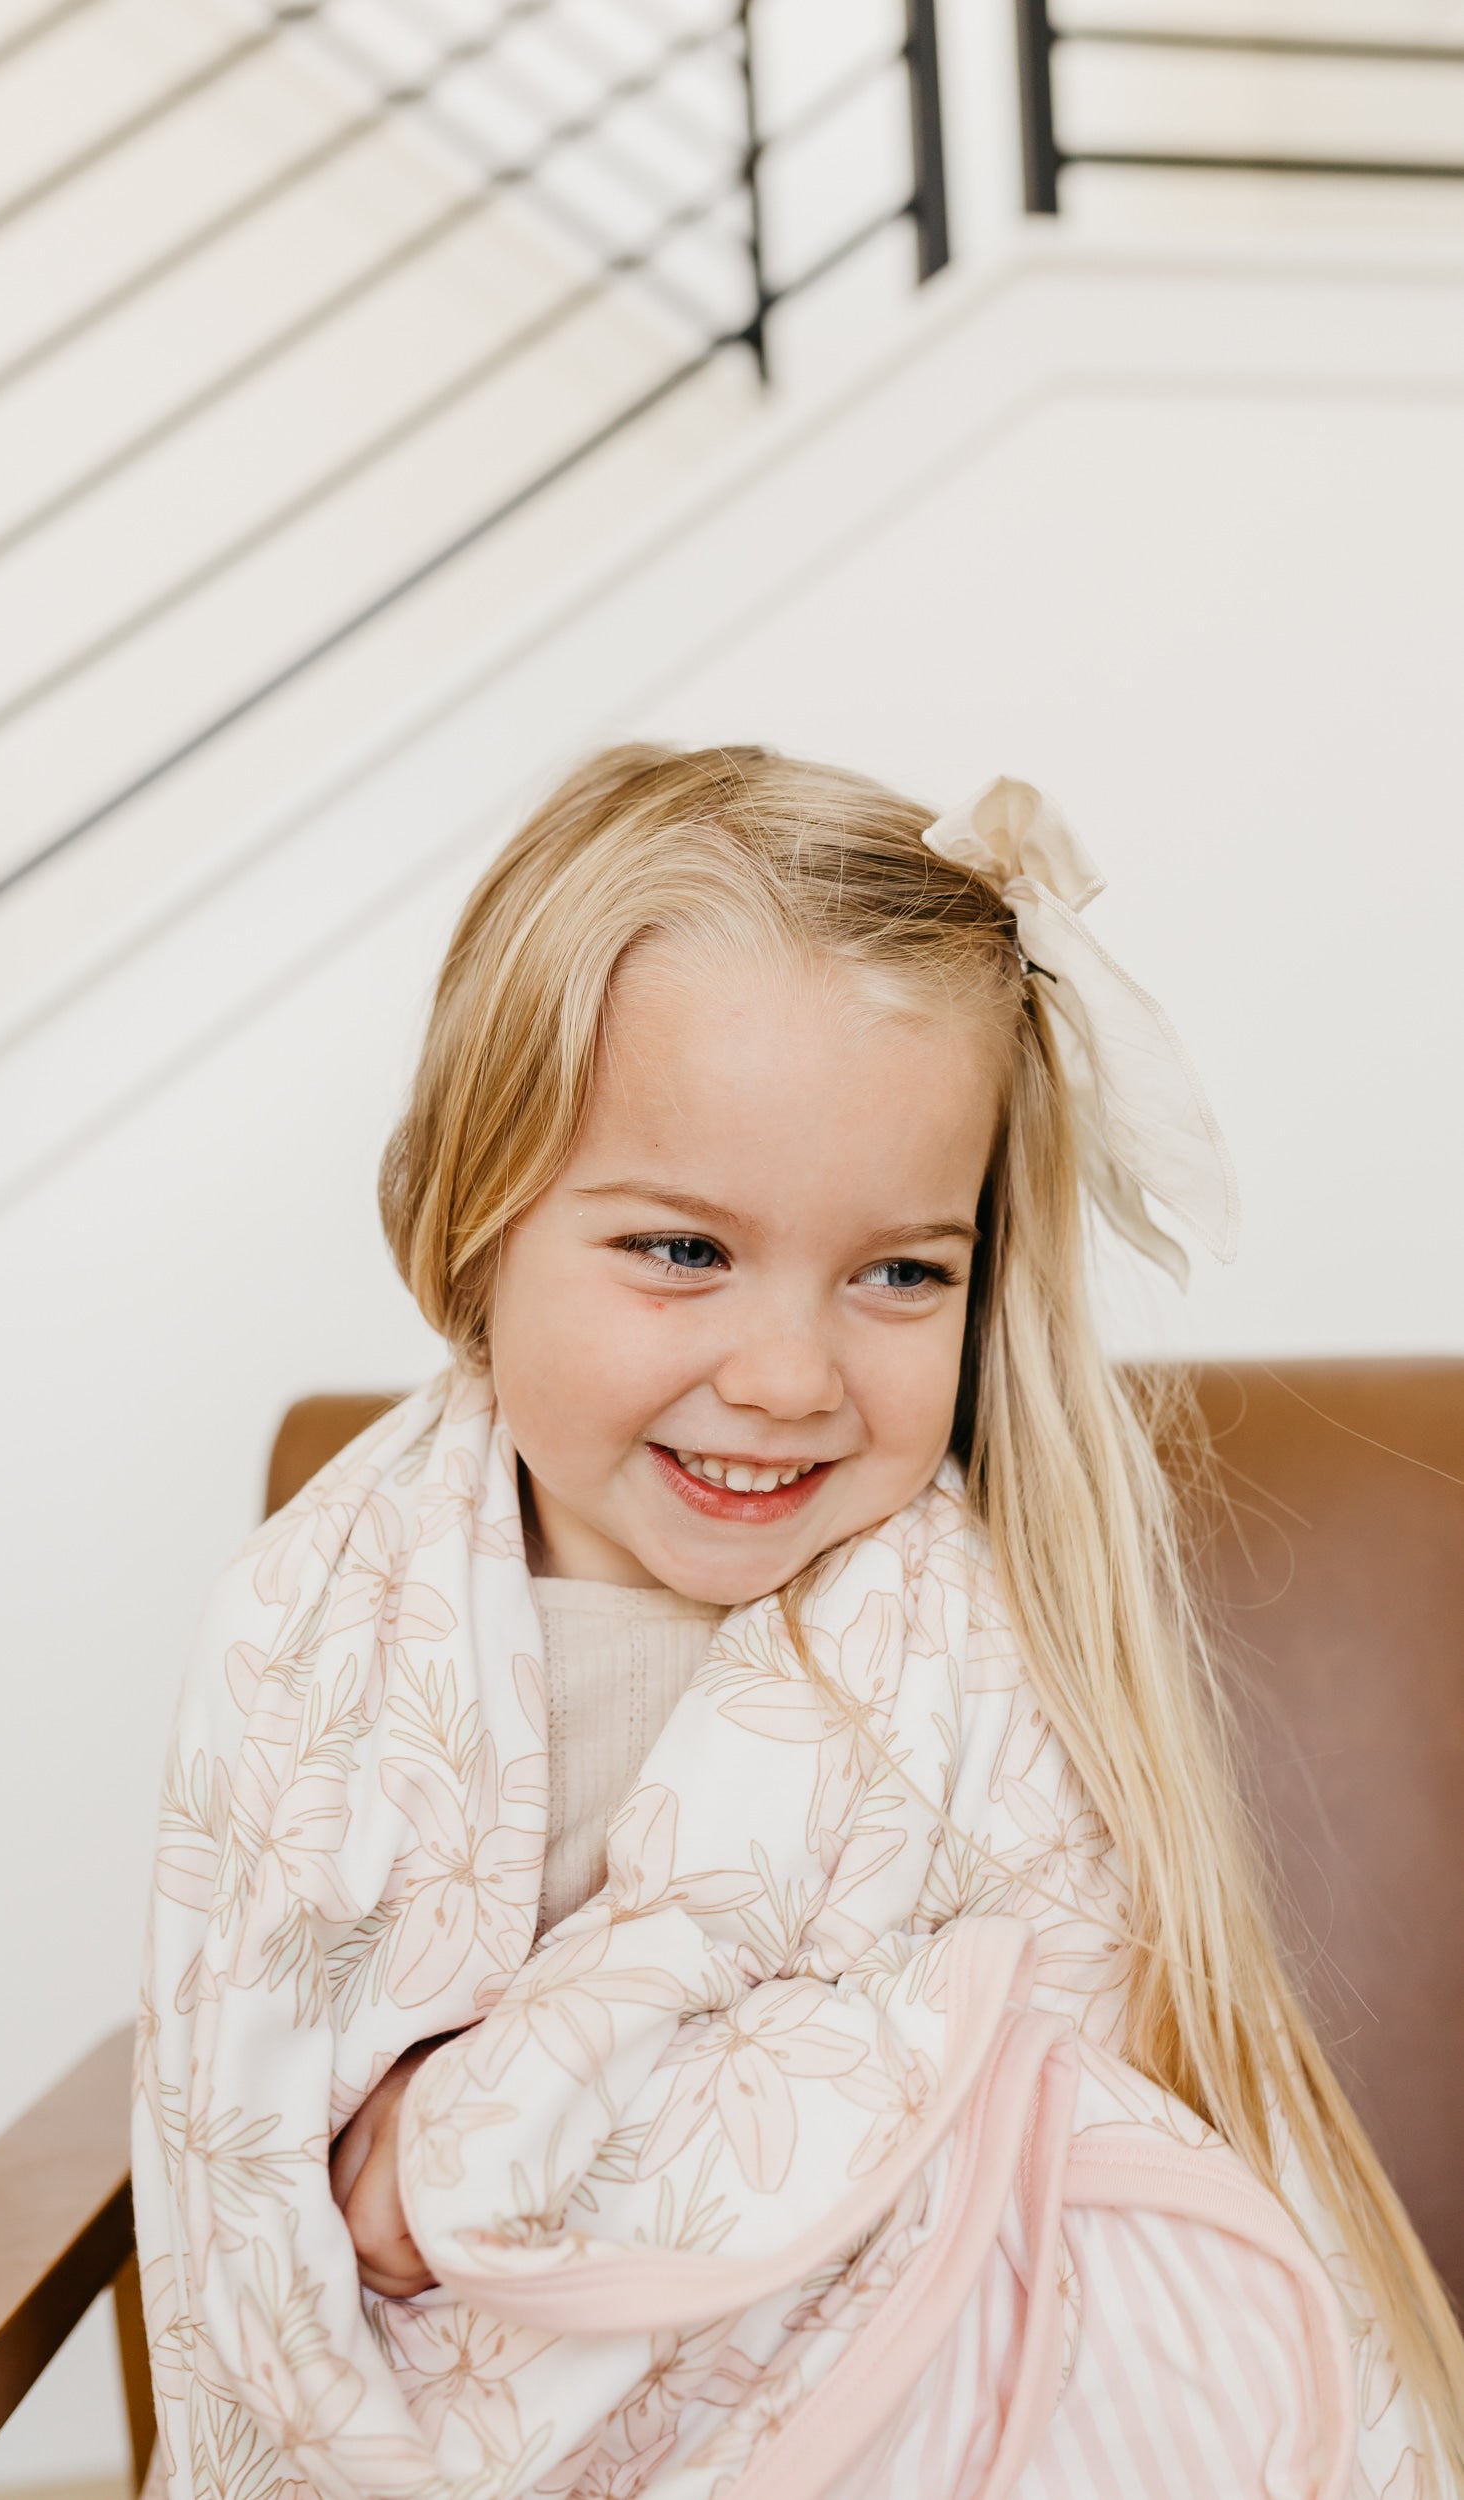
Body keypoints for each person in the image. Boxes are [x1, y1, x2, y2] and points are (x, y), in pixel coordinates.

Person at [134, 747, 1463, 2499]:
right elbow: (241, 2134)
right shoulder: (315, 1633)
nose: (785, 1377)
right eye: (682, 1251)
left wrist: (470, 2131)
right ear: (475, 1222)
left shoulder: (973, 1644)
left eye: (899, 1272)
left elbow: (1031, 2081)